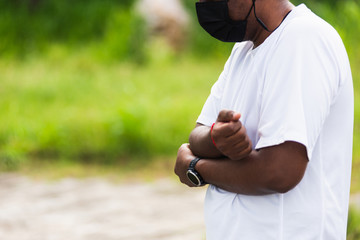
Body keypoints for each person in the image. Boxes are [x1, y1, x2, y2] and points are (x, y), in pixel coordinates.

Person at [174, 0, 354, 239]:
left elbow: (279, 171)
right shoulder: (243, 50)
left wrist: (197, 168)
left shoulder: (303, 39)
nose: (204, 4)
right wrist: (215, 139)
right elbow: (199, 134)